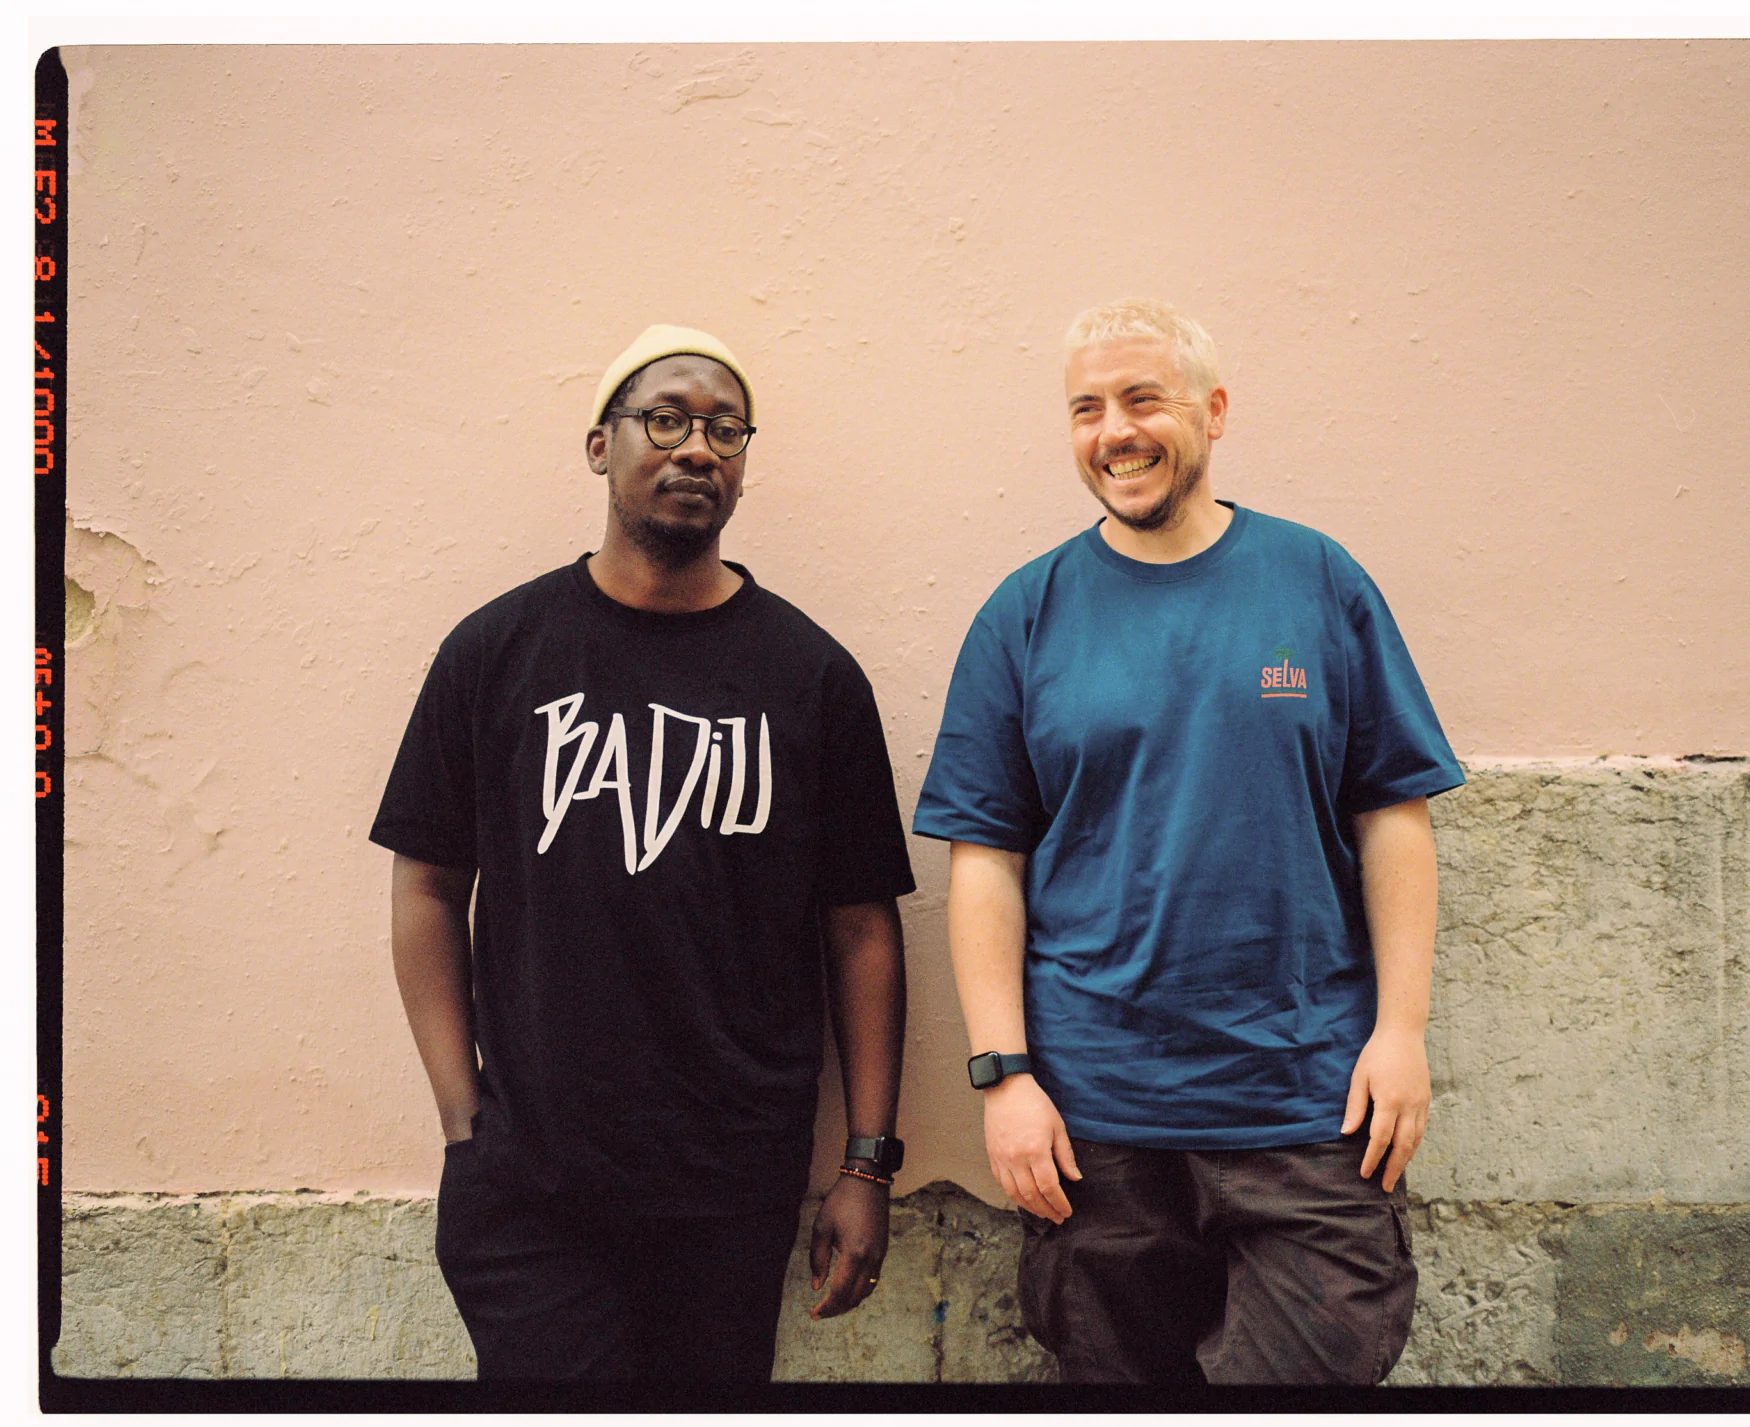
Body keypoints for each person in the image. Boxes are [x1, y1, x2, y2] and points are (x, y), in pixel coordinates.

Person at [912, 298, 1464, 1385]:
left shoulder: (1319, 581)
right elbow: (985, 859)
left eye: (1141, 399)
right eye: (1086, 408)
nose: (1114, 431)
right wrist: (1003, 1077)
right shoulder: (1025, 613)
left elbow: (1393, 812)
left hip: (1305, 1102)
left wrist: (1402, 1030)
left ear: (1213, 410)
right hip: (1096, 1123)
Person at [371, 324, 915, 1383]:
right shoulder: (496, 652)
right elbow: (428, 885)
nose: (697, 447)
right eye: (665, 419)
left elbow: (861, 930)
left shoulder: (811, 676)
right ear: (599, 445)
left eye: (725, 429)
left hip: (731, 1191)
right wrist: (461, 1119)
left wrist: (866, 1166)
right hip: (531, 1189)